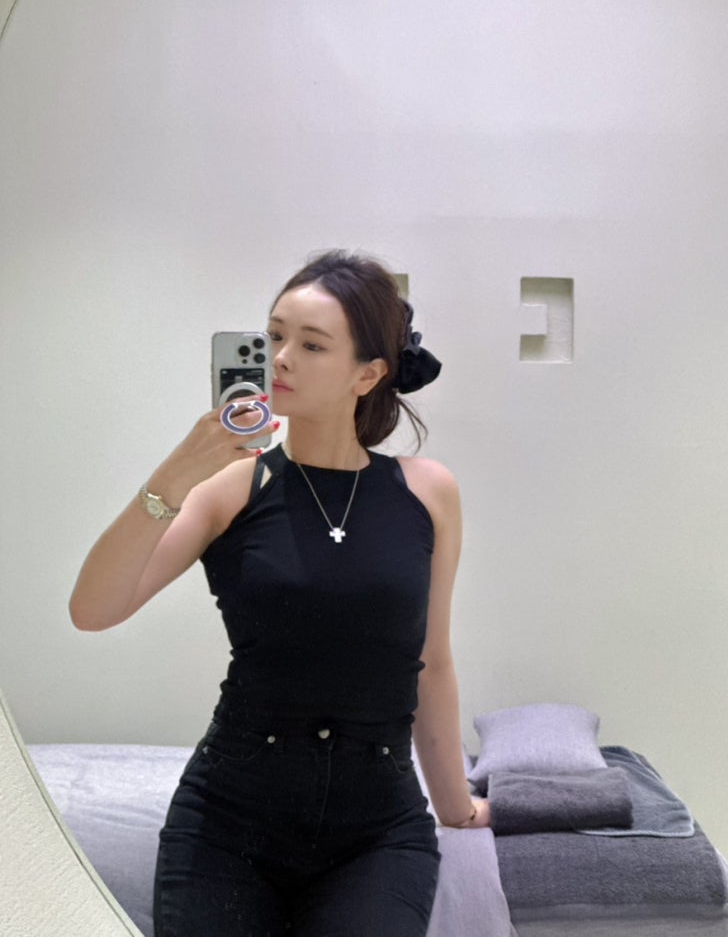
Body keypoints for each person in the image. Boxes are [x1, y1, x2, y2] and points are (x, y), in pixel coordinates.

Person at [69, 250, 490, 937]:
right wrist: (178, 473)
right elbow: (93, 610)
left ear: (367, 374)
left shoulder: (426, 492)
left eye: (311, 345)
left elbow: (432, 662)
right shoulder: (229, 488)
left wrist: (457, 807)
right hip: (228, 822)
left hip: (377, 830)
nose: (281, 359)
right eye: (273, 337)